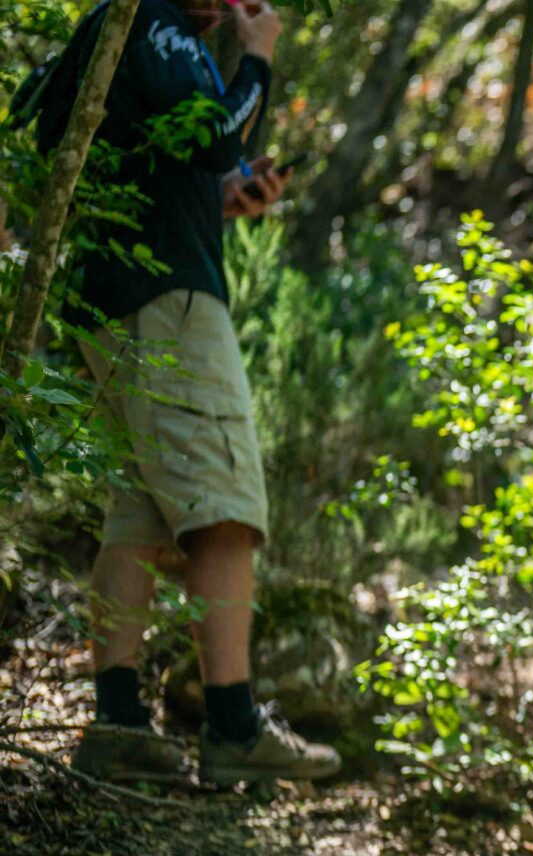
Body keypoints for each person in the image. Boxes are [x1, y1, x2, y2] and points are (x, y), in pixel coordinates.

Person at [38, 0, 339, 786]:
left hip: (110, 303)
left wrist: (225, 197)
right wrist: (259, 56)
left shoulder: (134, 29)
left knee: (138, 511)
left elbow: (171, 162)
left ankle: (119, 725)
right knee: (226, 507)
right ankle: (234, 726)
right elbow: (211, 136)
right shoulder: (156, 19)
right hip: (168, 303)